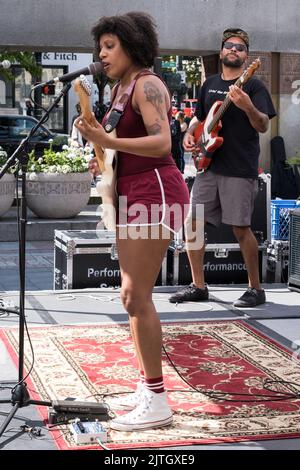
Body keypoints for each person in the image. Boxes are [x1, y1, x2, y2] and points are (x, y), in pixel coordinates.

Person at [75, 11, 190, 431]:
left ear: (132, 46)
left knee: (134, 296)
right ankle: (148, 387)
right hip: (131, 192)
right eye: (100, 47)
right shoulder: (122, 89)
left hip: (154, 192)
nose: (102, 54)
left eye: (110, 46)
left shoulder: (148, 84)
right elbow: (122, 149)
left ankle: (157, 400)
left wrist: (106, 139)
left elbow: (162, 141)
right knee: (132, 298)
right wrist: (100, 155)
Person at [169, 28, 276, 308]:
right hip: (208, 166)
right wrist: (190, 134)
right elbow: (200, 119)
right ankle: (198, 285)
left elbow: (264, 125)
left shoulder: (254, 87)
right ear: (221, 52)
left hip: (239, 168)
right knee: (191, 224)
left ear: (246, 57)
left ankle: (255, 289)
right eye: (230, 46)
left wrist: (249, 107)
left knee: (241, 229)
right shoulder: (210, 83)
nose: (234, 50)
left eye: (240, 48)